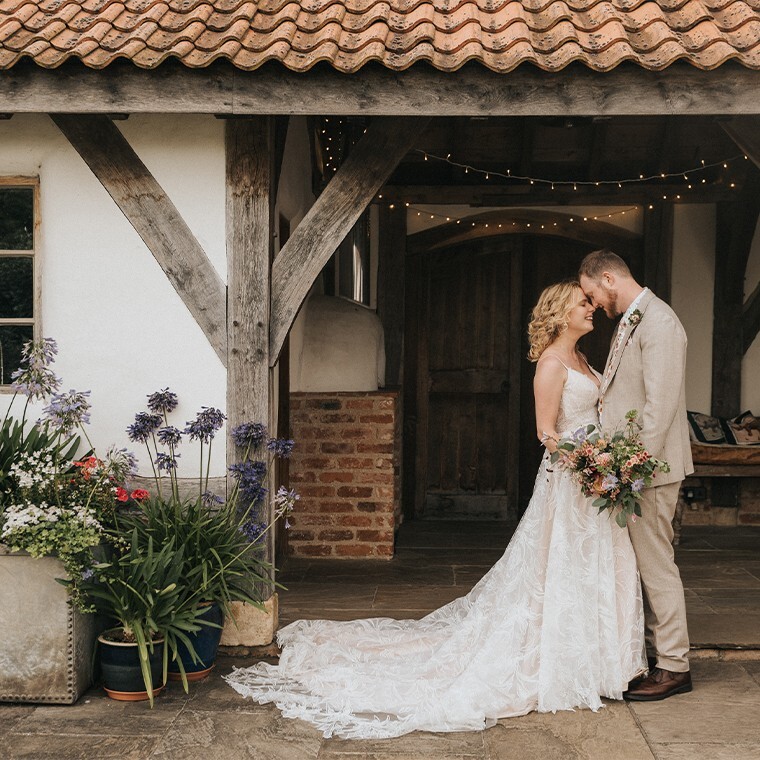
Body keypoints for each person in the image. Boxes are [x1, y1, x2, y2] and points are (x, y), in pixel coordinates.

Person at [225, 280, 646, 739]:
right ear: (560, 312)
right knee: (560, 567)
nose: (592, 308)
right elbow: (546, 432)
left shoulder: (584, 359)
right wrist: (589, 463)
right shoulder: (550, 364)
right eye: (583, 303)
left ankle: (598, 662)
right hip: (572, 482)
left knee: (591, 568)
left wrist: (610, 461)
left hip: (595, 484)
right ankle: (561, 662)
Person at [579, 249, 693, 701]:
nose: (594, 304)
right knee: (641, 566)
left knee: (656, 566)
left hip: (650, 470)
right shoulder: (634, 317)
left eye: (592, 293)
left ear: (608, 278)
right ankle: (652, 656)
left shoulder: (660, 322)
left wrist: (629, 468)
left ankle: (673, 666)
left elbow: (658, 409)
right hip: (636, 468)